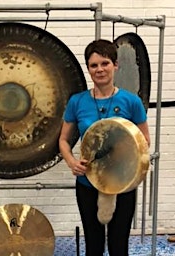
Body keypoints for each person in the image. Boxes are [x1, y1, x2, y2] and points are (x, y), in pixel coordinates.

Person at [59, 39, 150, 255]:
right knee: (94, 245)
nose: (99, 69)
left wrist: (124, 157)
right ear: (89, 69)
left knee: (119, 246)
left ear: (115, 65)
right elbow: (63, 140)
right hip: (88, 182)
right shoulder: (77, 102)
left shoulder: (131, 101)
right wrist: (72, 162)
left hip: (123, 183)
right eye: (94, 65)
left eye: (105, 63)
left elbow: (144, 140)